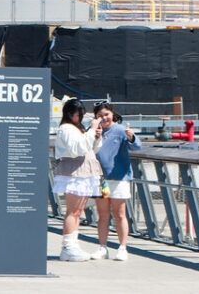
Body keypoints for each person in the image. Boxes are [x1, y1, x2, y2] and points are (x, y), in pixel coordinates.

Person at [53, 98, 103, 262]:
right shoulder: (66, 128)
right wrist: (91, 130)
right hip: (74, 171)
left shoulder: (77, 128)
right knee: (73, 211)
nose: (80, 118)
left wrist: (95, 136)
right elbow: (77, 149)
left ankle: (72, 245)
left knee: (78, 212)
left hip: (84, 171)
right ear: (69, 114)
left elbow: (91, 148)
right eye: (78, 115)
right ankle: (68, 247)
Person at [92, 102, 139, 262]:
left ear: (112, 113)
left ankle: (122, 247)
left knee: (119, 214)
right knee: (103, 215)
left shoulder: (120, 130)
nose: (104, 118)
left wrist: (131, 137)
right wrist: (95, 136)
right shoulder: (93, 131)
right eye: (100, 116)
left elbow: (137, 147)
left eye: (106, 114)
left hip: (119, 178)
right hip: (101, 179)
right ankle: (102, 247)